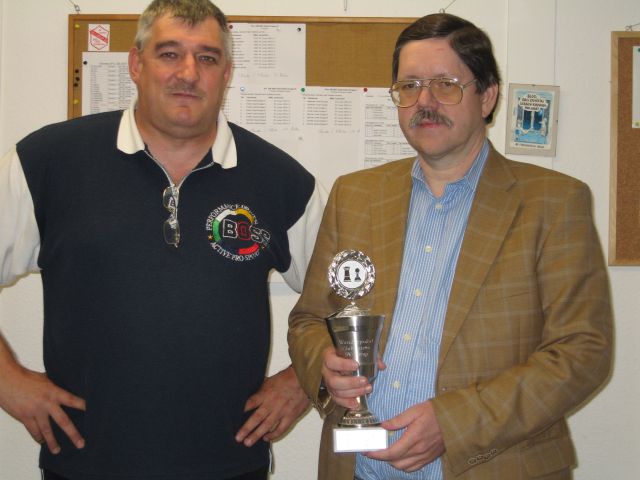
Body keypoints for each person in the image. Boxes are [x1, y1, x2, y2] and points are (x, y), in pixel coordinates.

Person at [0, 0, 326, 478]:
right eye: (169, 54)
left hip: (229, 465)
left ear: (226, 73)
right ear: (136, 63)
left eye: (207, 58)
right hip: (86, 465)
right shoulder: (47, 163)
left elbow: (351, 301)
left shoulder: (280, 182)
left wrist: (303, 380)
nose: (188, 73)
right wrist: (8, 382)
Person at [288, 12, 612, 480]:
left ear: (488, 96)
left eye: (446, 85)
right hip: (357, 469)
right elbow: (308, 321)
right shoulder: (354, 195)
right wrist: (324, 365)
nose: (424, 101)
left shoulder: (554, 202)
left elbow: (582, 351)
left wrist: (455, 423)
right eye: (409, 86)